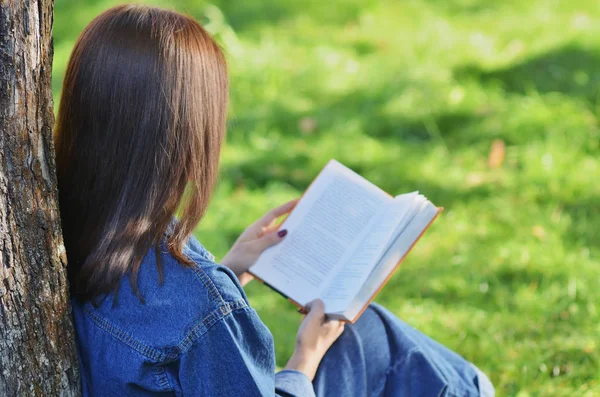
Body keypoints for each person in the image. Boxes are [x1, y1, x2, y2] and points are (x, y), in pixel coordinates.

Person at [54, 4, 494, 396]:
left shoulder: (66, 223)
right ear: (185, 137)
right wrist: (304, 359)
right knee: (372, 340)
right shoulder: (207, 309)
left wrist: (230, 270)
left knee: (366, 333)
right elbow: (196, 328)